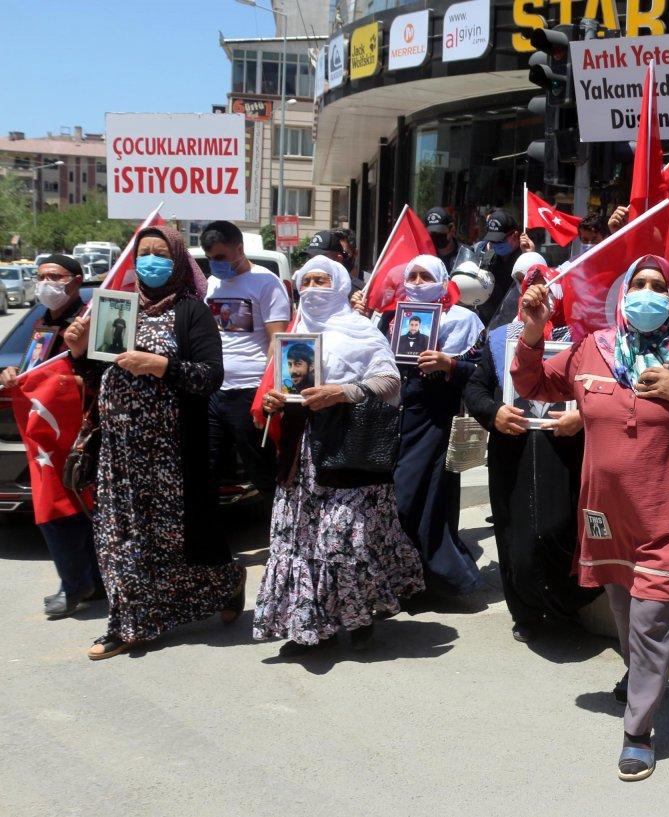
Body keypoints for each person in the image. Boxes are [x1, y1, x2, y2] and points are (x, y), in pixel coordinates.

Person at [513, 254, 669, 781]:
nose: (647, 293)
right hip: (606, 516)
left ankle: (638, 731)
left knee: (650, 619)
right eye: (637, 284)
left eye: (658, 286)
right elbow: (535, 385)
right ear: (622, 294)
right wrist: (531, 333)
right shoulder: (592, 350)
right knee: (624, 610)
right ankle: (639, 675)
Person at [62, 225, 245, 661]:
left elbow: (210, 376)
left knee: (169, 541)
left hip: (171, 453)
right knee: (119, 538)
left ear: (178, 260)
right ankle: (129, 624)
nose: (150, 261)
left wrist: (161, 365)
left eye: (159, 253)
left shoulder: (191, 312)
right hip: (119, 451)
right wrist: (78, 349)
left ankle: (225, 582)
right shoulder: (114, 306)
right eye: (143, 253)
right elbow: (96, 376)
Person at [254, 256, 424, 652]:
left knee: (345, 539)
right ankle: (312, 625)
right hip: (301, 455)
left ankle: (359, 615)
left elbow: (389, 382)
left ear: (341, 285)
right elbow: (283, 386)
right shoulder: (294, 333)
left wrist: (342, 392)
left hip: (349, 449)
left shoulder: (361, 330)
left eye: (322, 280)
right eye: (307, 280)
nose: (314, 287)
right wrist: (275, 403)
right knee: (300, 542)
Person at [463, 261, 600, 641]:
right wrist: (495, 413)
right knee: (515, 536)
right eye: (532, 287)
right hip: (513, 453)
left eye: (548, 286)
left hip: (566, 456)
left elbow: (608, 396)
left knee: (562, 529)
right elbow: (474, 389)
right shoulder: (500, 339)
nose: (539, 294)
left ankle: (566, 607)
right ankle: (525, 611)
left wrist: (582, 419)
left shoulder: (584, 339)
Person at [0, 254, 102, 619]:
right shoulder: (43, 322)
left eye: (54, 276)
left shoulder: (91, 320)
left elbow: (107, 372)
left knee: (78, 510)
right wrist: (13, 373)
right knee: (57, 509)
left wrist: (77, 371)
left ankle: (80, 584)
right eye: (40, 276)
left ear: (75, 280)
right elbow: (34, 368)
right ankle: (80, 582)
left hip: (83, 433)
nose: (45, 283)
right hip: (48, 436)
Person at [387, 254, 486, 594]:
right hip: (397, 419)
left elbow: (482, 374)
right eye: (410, 275)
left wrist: (449, 364)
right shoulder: (391, 317)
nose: (415, 282)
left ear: (443, 281)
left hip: (436, 421)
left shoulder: (463, 320)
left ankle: (442, 579)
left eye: (424, 275)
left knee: (420, 498)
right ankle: (406, 581)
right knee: (400, 499)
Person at [201, 220, 292, 500]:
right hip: (215, 391)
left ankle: (278, 535)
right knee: (208, 469)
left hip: (249, 391)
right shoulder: (213, 282)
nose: (215, 264)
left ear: (239, 249)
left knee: (262, 471)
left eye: (220, 257)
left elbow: (277, 343)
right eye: (210, 259)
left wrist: (265, 394)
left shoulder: (266, 283)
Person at [473, 210, 521, 326]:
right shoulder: (487, 258)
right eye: (492, 241)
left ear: (515, 235)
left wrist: (528, 254)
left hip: (515, 324)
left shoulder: (525, 258)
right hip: (488, 322)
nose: (495, 244)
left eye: (500, 240)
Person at [426, 206, 478, 272]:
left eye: (439, 232)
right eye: (432, 234)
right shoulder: (426, 255)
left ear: (452, 230)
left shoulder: (465, 254)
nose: (436, 236)